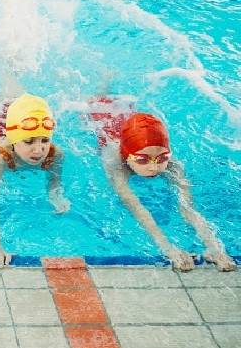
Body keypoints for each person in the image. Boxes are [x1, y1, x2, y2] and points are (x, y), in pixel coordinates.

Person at [90, 97, 236, 271]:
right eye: (143, 160)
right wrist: (168, 248)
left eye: (162, 158)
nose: (154, 167)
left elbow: (187, 209)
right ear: (128, 156)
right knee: (100, 98)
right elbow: (138, 209)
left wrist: (215, 248)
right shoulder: (116, 165)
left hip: (132, 124)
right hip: (101, 116)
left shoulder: (173, 165)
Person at [0, 93, 70, 266]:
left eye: (45, 140)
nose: (39, 150)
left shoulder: (55, 154)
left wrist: (56, 196)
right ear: (14, 140)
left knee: (18, 94)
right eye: (29, 142)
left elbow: (54, 182)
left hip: (19, 116)